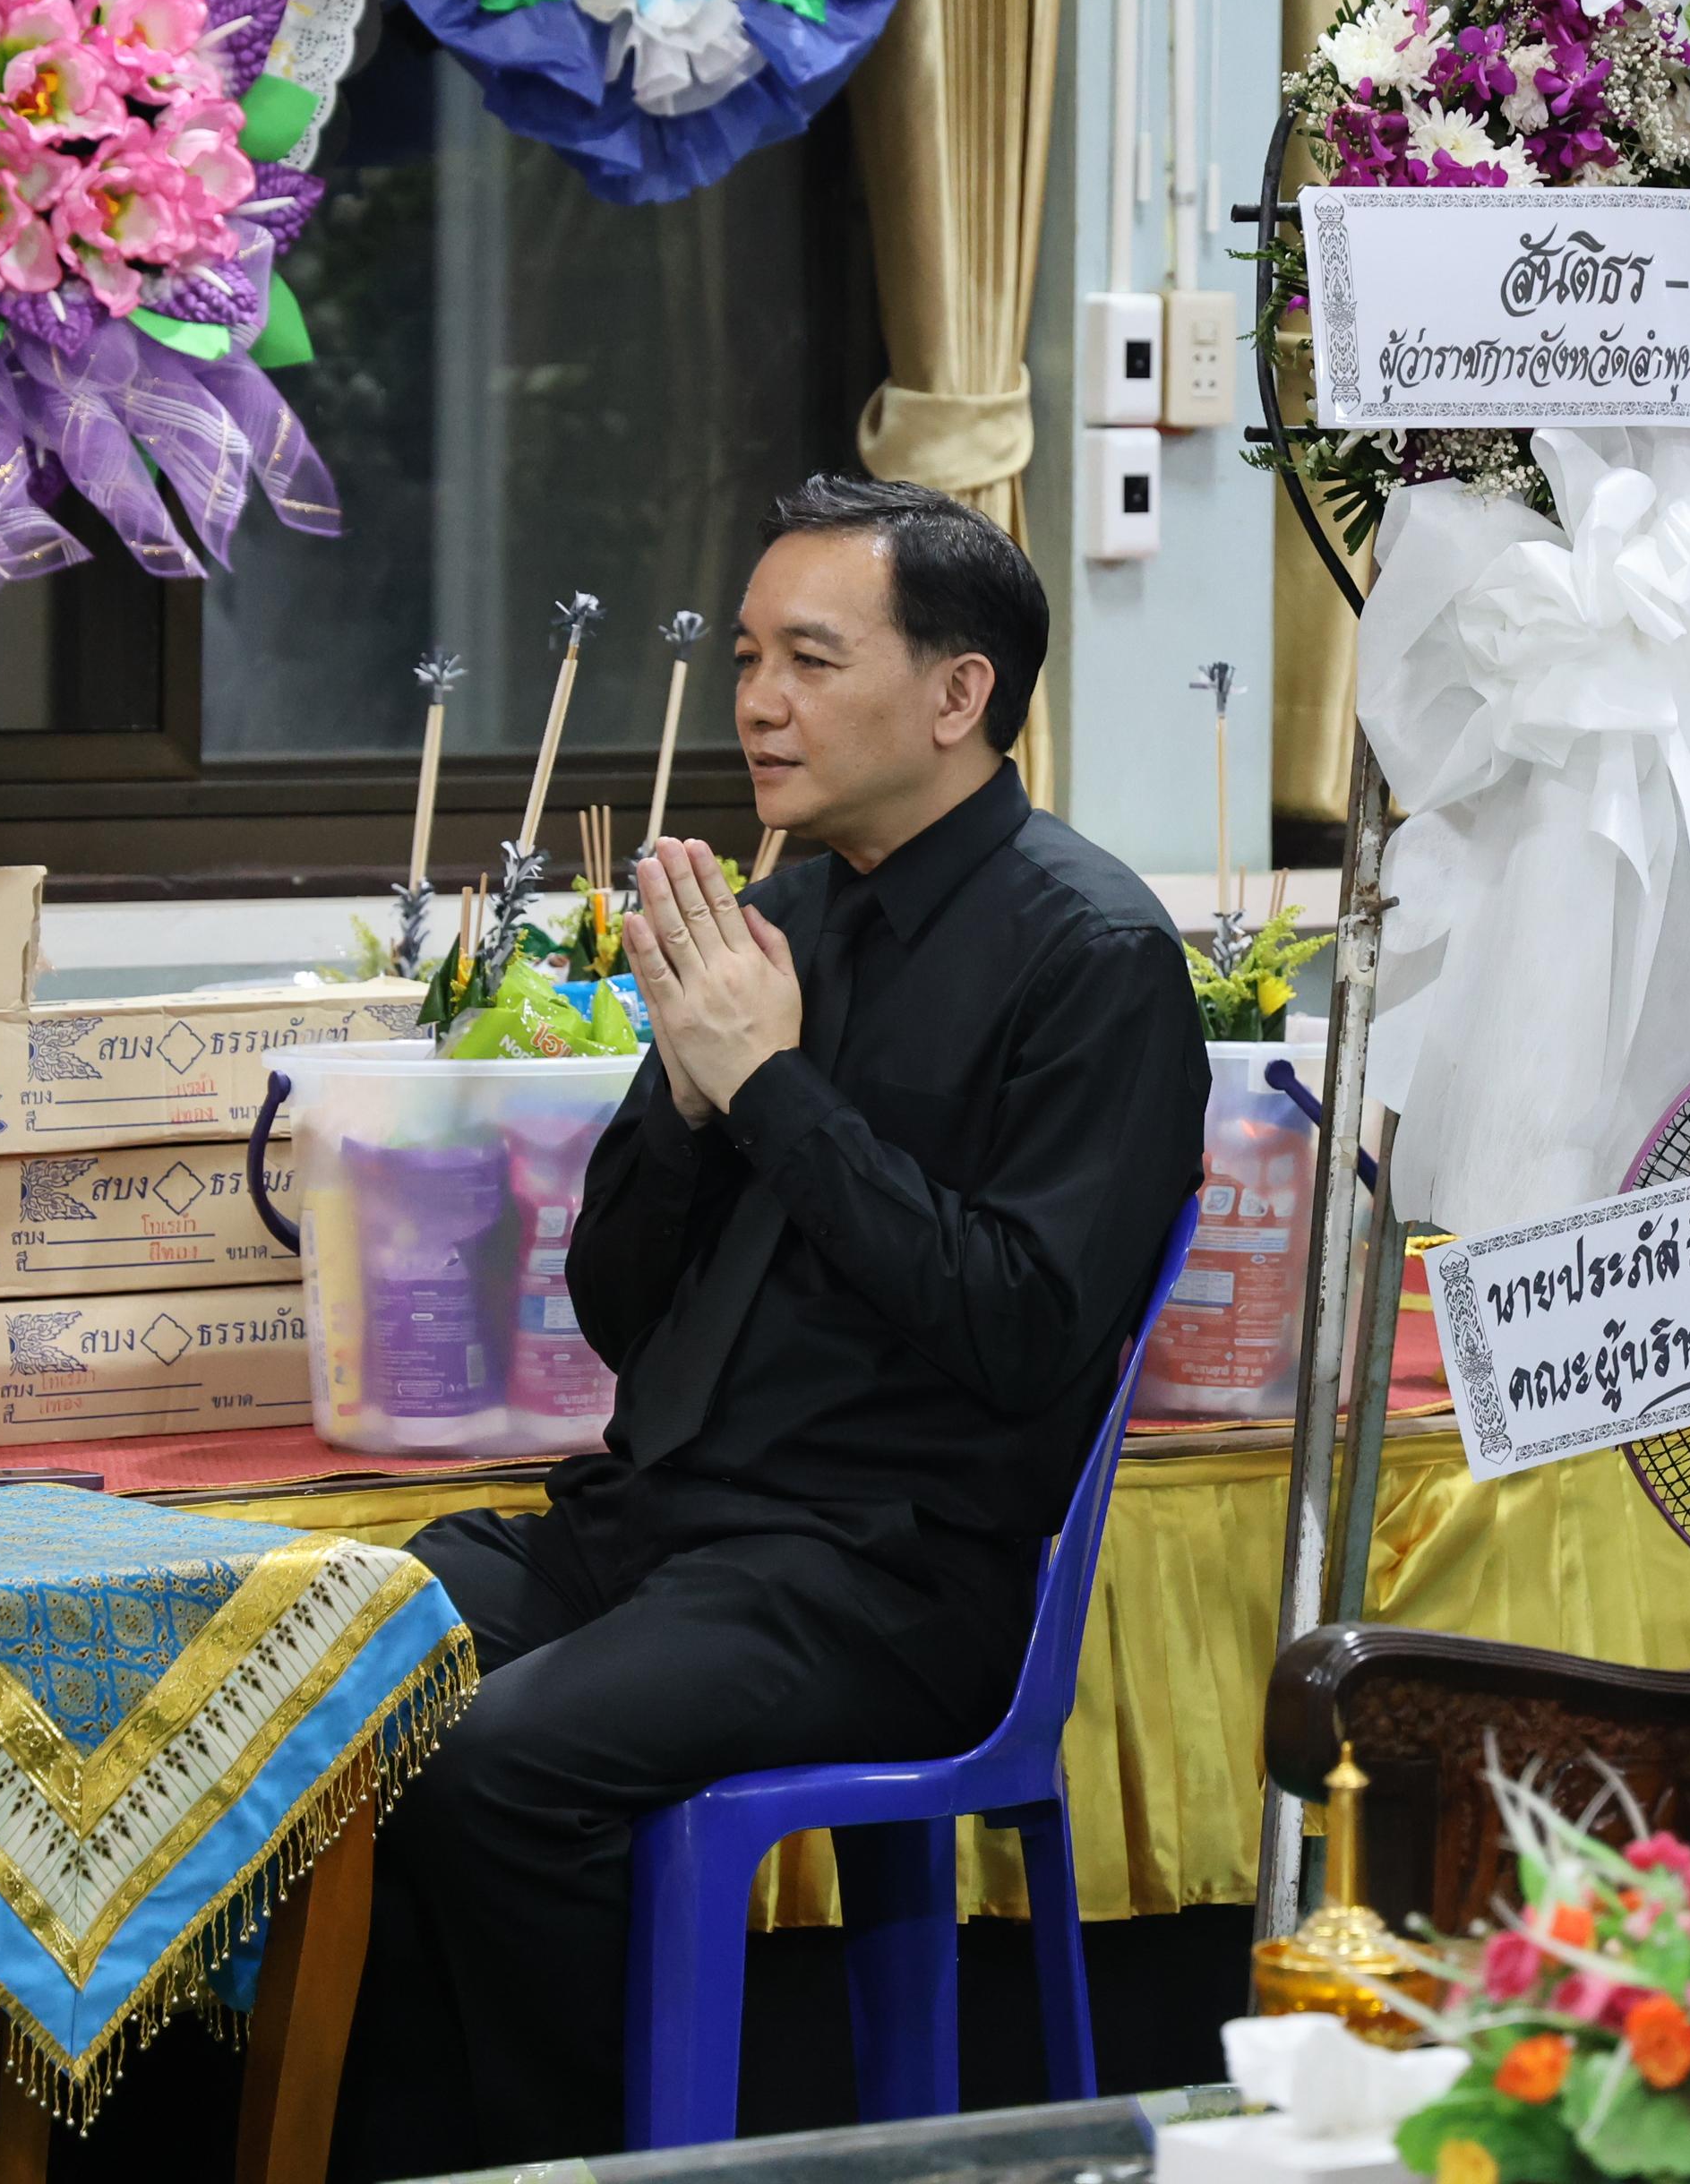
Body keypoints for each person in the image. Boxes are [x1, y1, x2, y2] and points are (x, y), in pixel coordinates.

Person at [341, 477, 1210, 2171]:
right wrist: (685, 1102)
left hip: (886, 1570)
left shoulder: (1091, 954)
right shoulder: (778, 918)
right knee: (324, 1677)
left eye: (810, 660)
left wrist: (772, 1088)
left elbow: (1023, 1331)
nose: (757, 702)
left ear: (958, 694)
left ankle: (597, 2167)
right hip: (657, 1526)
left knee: (503, 1770)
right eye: (749, 658)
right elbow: (618, 1315)